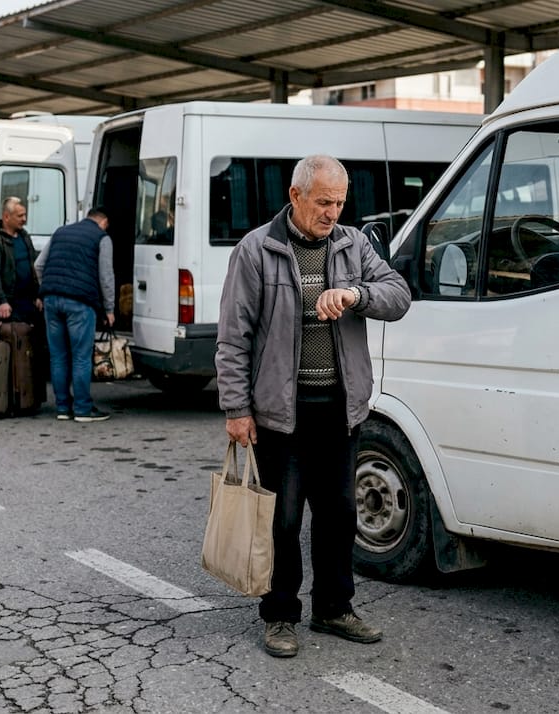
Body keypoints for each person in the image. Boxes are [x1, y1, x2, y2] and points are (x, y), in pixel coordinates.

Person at [215, 155, 412, 658]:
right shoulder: (257, 250)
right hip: (281, 412)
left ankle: (333, 608)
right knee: (281, 519)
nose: (332, 212)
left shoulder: (352, 244)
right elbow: (233, 338)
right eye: (324, 202)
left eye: (340, 202)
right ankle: (280, 614)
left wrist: (355, 293)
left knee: (340, 514)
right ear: (296, 195)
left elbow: (398, 295)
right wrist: (237, 409)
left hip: (339, 410)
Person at [36, 209, 114, 422]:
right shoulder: (102, 238)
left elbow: (38, 265)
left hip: (51, 300)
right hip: (80, 302)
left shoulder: (60, 232)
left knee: (59, 356)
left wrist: (47, 288)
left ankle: (62, 408)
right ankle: (82, 409)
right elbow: (106, 275)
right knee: (80, 356)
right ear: (103, 221)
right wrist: (109, 309)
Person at [0, 197, 41, 324]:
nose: (24, 219)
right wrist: (1, 301)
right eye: (20, 216)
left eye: (25, 215)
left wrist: (38, 295)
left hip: (27, 302)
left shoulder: (24, 236)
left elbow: (33, 266)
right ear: (6, 217)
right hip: (8, 304)